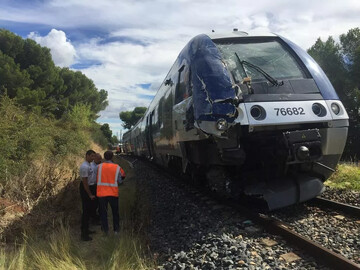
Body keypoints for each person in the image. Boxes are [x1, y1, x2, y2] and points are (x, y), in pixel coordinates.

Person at [96, 150, 124, 235]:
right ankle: (116, 231)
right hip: (113, 193)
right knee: (115, 212)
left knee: (103, 213)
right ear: (112, 157)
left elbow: (95, 179)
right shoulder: (117, 167)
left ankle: (105, 231)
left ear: (104, 157)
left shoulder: (99, 167)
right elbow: (120, 179)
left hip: (101, 194)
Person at [79, 150, 96, 241]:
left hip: (89, 187)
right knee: (86, 211)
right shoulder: (84, 167)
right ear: (87, 156)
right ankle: (84, 235)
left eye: (94, 156)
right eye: (92, 156)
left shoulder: (89, 164)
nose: (93, 158)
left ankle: (87, 229)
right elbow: (85, 182)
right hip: (86, 189)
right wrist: (90, 194)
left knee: (89, 210)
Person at [88, 153, 102, 224]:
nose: (100, 161)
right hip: (92, 186)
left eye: (101, 159)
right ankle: (93, 219)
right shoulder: (92, 166)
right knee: (94, 203)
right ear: (95, 159)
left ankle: (96, 217)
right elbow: (92, 178)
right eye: (99, 159)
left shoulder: (98, 165)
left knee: (97, 202)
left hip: (97, 186)